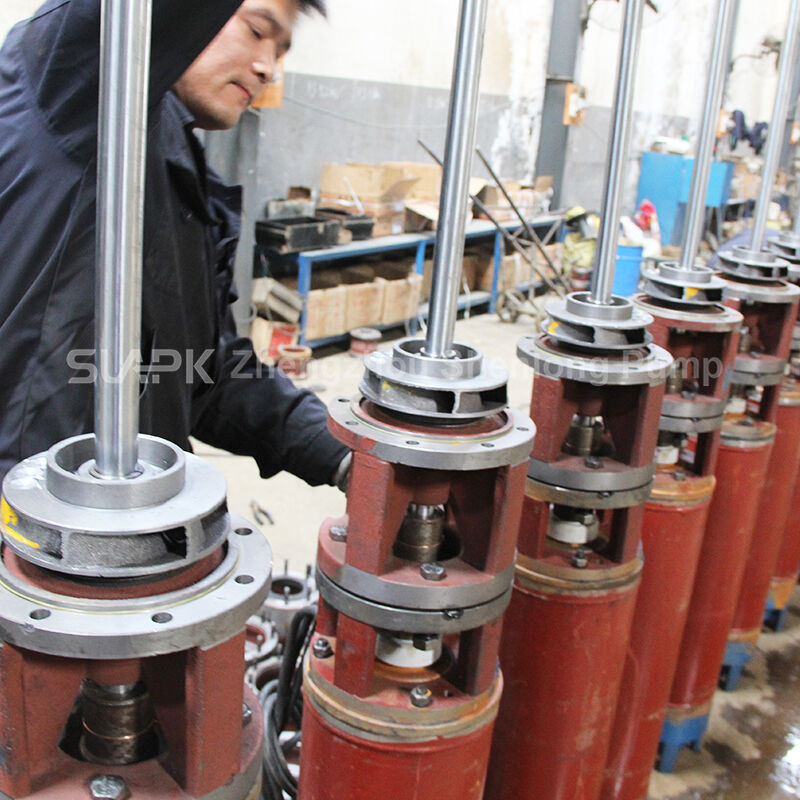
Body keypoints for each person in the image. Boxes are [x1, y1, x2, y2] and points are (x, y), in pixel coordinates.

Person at [0, 0, 351, 489]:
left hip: (141, 512)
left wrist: (345, 455)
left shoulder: (179, 164)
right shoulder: (75, 86)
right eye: (255, 31)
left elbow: (205, 370)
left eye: (280, 50)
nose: (268, 68)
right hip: (25, 512)